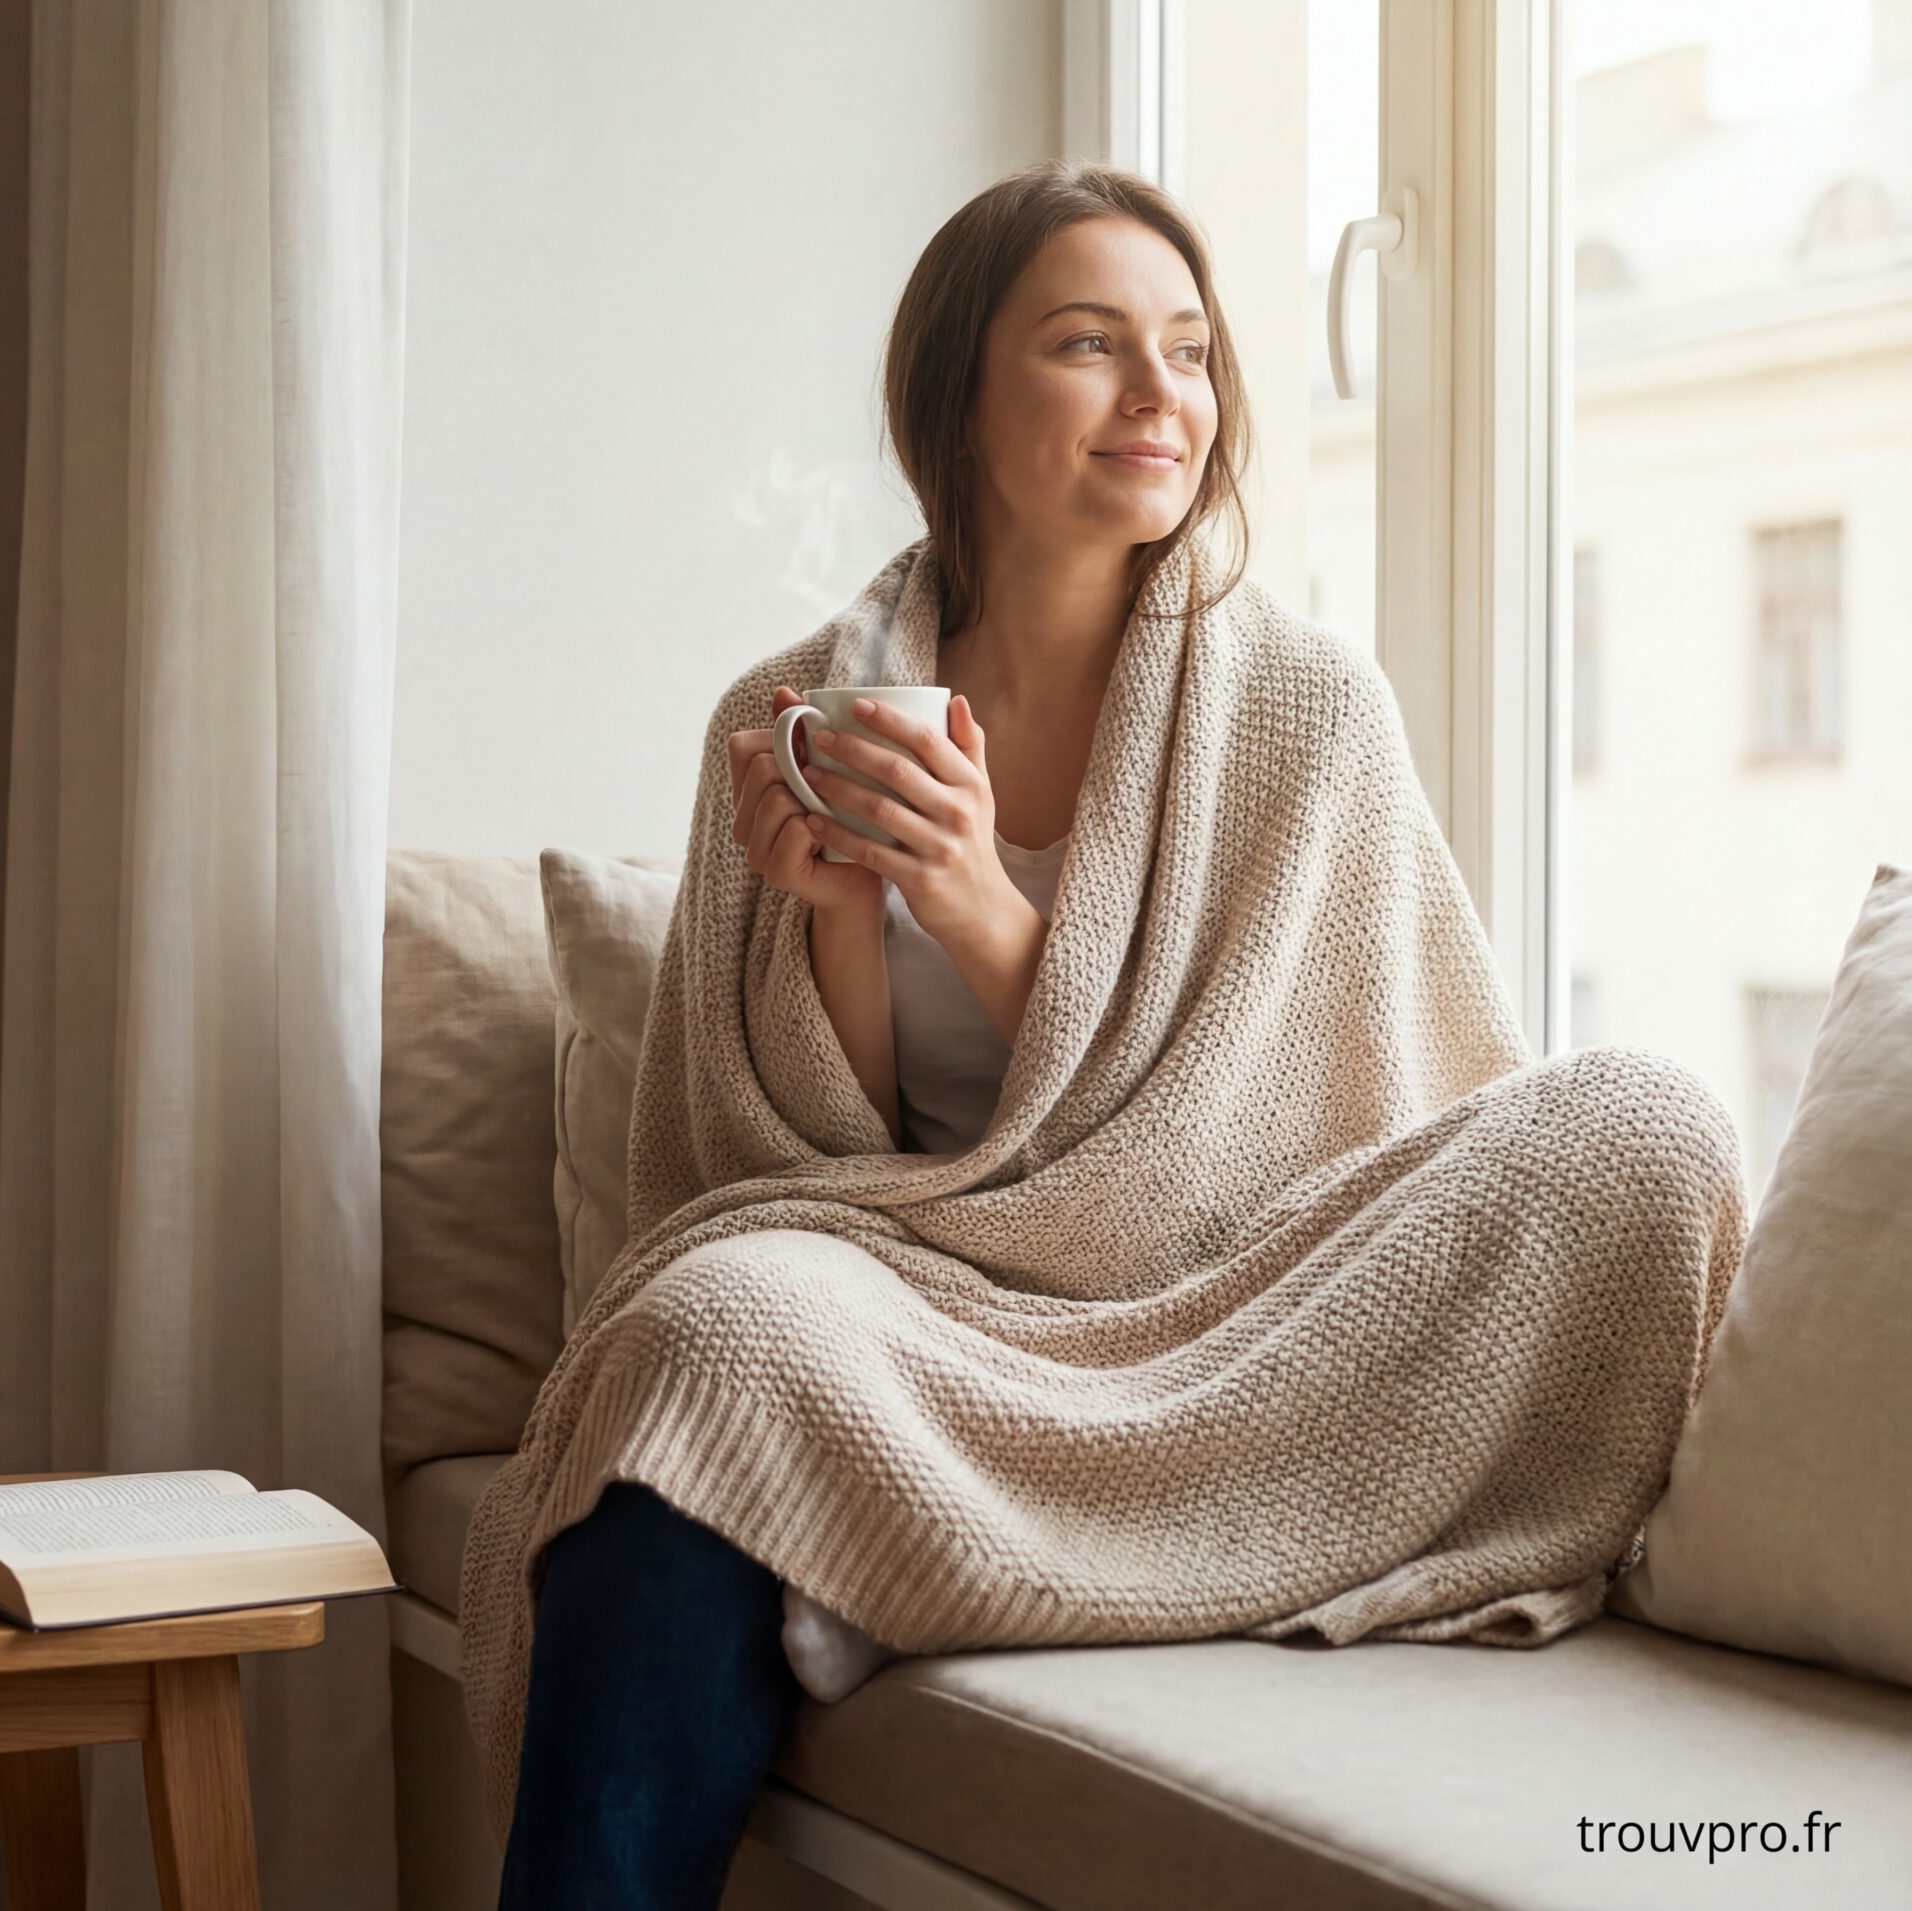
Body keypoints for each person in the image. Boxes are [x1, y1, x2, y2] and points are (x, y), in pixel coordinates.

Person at [495, 156, 1257, 1910]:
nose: (1162, 399)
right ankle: (870, 1534)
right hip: (902, 1311)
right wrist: (837, 913)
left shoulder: (1299, 710)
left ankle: (906, 1548)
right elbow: (773, 1183)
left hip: (1194, 1324)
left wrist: (981, 907)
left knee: (1632, 1127)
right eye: (1090, 345)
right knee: (716, 1327)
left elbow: (1261, 1154)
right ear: (956, 401)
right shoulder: (783, 714)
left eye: (1193, 351)